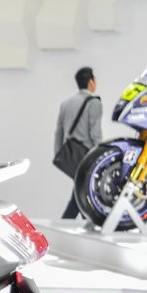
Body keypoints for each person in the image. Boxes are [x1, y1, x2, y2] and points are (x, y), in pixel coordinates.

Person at [55, 66, 103, 219]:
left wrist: (58, 153)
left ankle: (79, 223)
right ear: (90, 82)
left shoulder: (66, 103)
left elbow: (59, 132)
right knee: (82, 193)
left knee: (81, 192)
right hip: (87, 155)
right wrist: (100, 157)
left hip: (70, 155)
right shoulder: (94, 103)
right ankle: (79, 224)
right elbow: (95, 133)